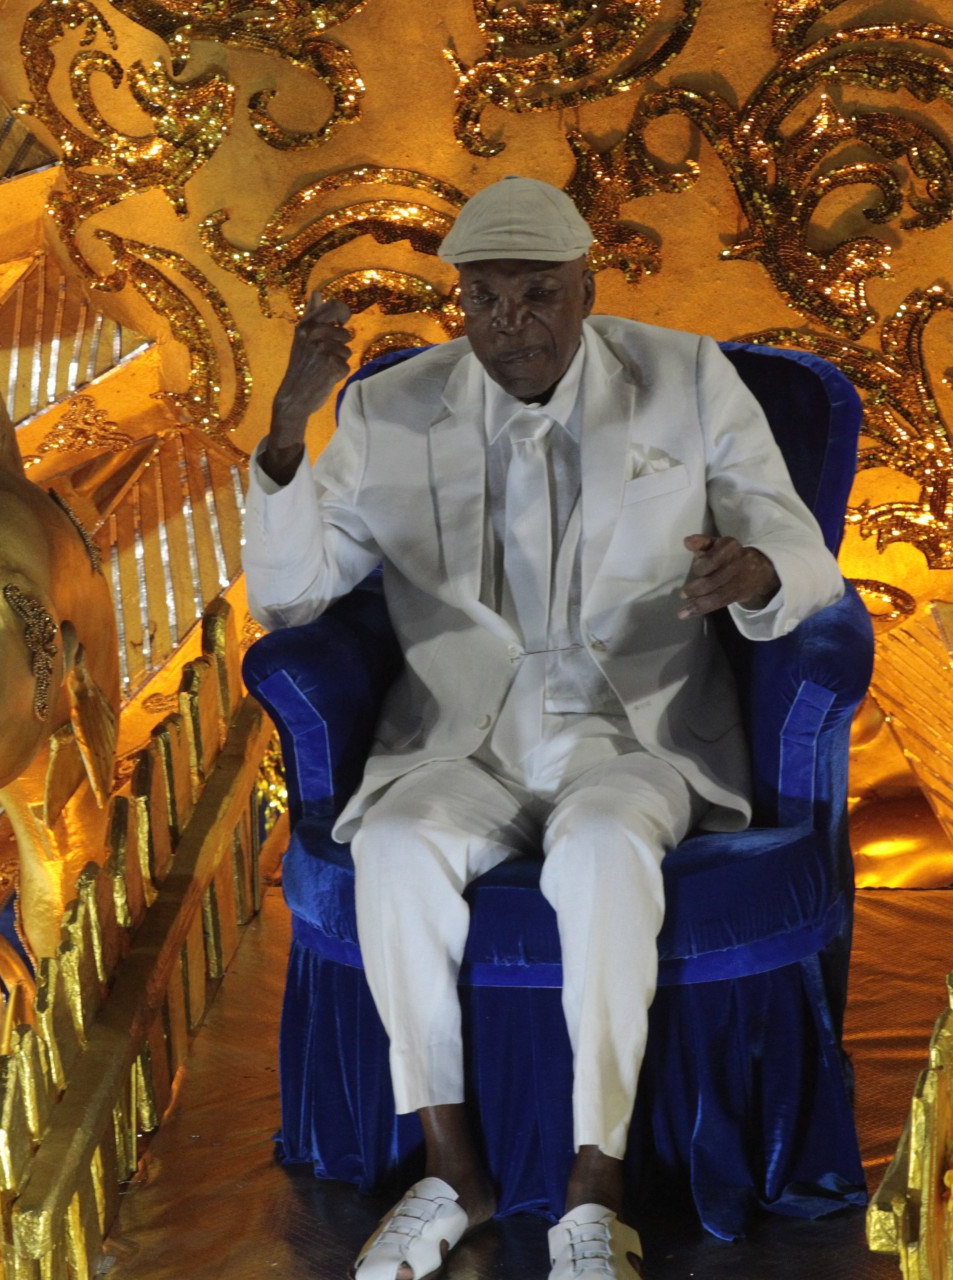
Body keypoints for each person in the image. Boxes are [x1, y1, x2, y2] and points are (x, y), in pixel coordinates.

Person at [242, 175, 846, 1280]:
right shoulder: (389, 408)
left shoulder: (686, 378)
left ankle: (595, 1180)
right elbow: (292, 598)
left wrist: (754, 569)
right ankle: (450, 1165)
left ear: (587, 288)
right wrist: (288, 434)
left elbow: (796, 546)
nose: (508, 323)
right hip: (460, 734)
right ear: (458, 301)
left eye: (536, 296)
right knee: (395, 844)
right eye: (483, 300)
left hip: (637, 730)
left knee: (605, 847)